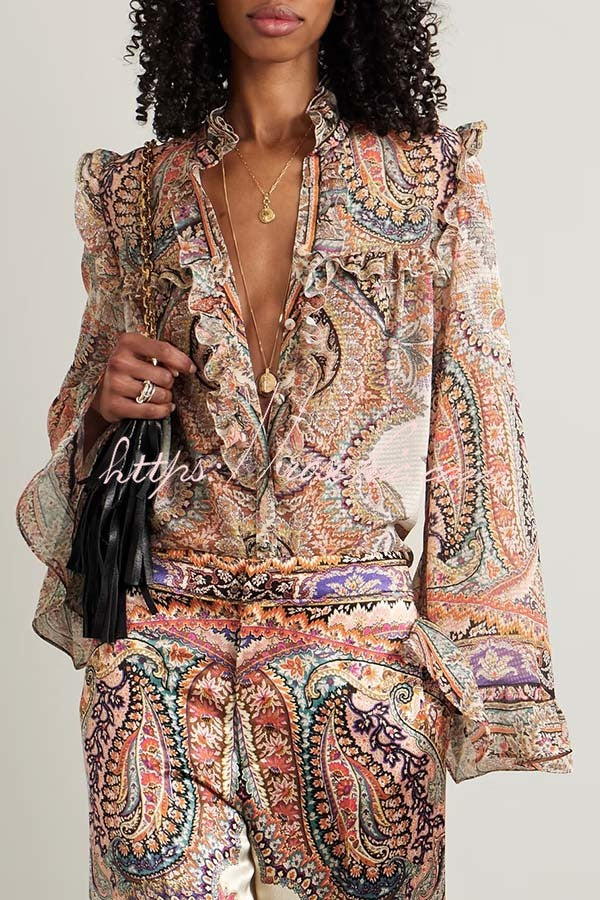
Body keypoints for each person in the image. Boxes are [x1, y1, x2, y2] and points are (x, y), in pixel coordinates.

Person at [15, 1, 573, 897]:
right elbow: (88, 430)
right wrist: (100, 413)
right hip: (157, 669)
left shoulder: (428, 183)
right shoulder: (137, 194)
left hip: (362, 683)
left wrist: (476, 668)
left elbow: (479, 426)